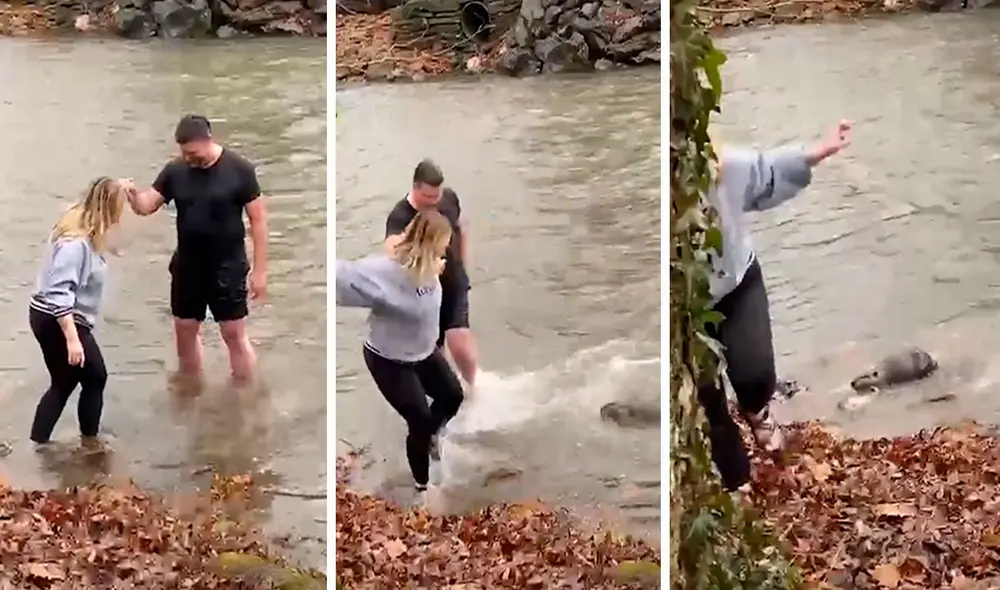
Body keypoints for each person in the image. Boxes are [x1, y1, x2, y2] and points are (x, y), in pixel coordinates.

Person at [699, 120, 852, 495]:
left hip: (736, 282)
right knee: (709, 405)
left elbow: (766, 170)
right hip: (686, 314)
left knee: (756, 376)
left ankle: (758, 411)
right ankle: (736, 484)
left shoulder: (721, 168)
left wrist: (817, 152)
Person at [122, 115, 268, 381]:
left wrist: (260, 272)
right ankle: (191, 388)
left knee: (233, 334)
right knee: (185, 330)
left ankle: (246, 391)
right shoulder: (175, 171)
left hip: (228, 267)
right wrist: (132, 195)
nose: (188, 158)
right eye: (184, 153)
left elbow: (258, 221)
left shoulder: (240, 170)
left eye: (193, 153)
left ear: (208, 140)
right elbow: (146, 206)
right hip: (187, 267)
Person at [337, 210, 465, 493]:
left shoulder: (435, 266)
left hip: (423, 352)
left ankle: (430, 438)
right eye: (443, 245)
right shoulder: (386, 273)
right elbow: (340, 275)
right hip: (388, 360)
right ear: (429, 244)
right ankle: (423, 488)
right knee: (419, 420)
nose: (445, 251)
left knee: (452, 396)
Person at [28, 177, 127, 445]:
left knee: (64, 382)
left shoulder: (79, 218)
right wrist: (72, 339)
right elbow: (59, 292)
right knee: (95, 377)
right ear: (110, 210)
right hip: (58, 318)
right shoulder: (76, 244)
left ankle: (39, 446)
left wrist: (120, 187)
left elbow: (98, 195)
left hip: (48, 314)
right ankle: (90, 443)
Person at [384, 159, 478, 390]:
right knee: (436, 354)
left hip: (453, 283)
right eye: (427, 197)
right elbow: (391, 251)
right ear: (415, 187)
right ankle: (450, 393)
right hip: (424, 291)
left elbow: (460, 229)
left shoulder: (449, 198)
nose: (433, 201)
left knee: (460, 344)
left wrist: (462, 264)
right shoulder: (400, 216)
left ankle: (475, 388)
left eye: (437, 196)